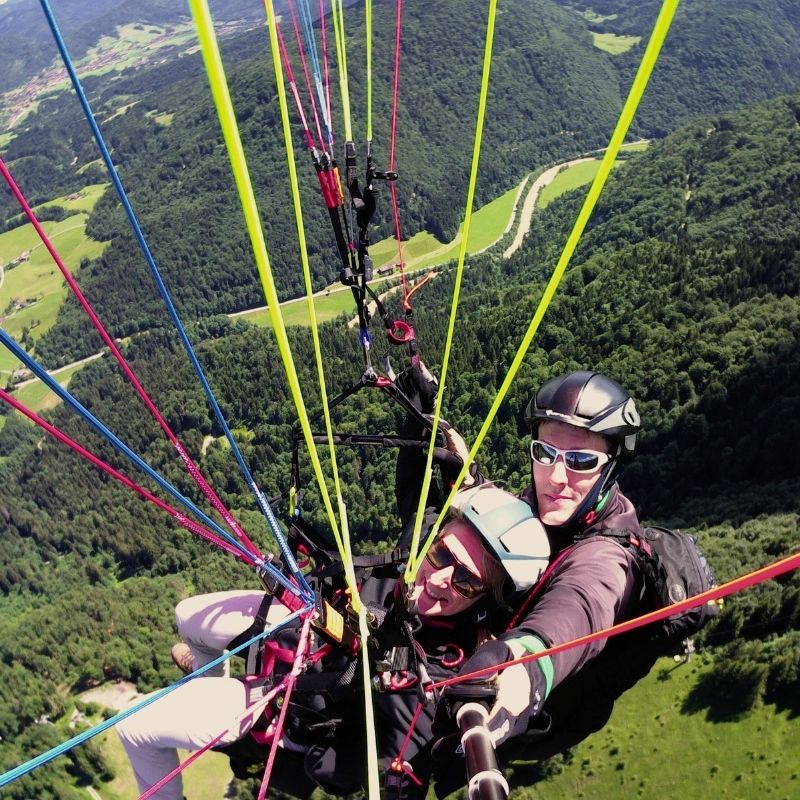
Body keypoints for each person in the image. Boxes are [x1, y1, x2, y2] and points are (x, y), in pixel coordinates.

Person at [116, 483, 551, 800]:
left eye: (465, 582)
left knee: (135, 726)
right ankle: (206, 674)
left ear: (482, 603)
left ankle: (212, 700)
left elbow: (401, 771)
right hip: (303, 624)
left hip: (286, 703)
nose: (437, 579)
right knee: (187, 616)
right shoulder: (418, 551)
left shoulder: (431, 684)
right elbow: (422, 484)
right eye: (441, 555)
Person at [431, 369, 659, 796]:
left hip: (530, 705)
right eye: (545, 452)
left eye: (580, 461)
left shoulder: (609, 556)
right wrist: (470, 484)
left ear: (611, 468)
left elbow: (581, 605)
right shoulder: (544, 505)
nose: (556, 478)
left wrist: (522, 662)